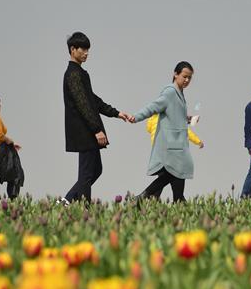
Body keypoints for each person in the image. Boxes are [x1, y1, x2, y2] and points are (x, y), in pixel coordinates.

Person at [61, 32, 133, 204]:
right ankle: (84, 210)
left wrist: (116, 113)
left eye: (88, 50)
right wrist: (97, 130)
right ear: (73, 49)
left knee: (96, 170)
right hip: (83, 131)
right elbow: (83, 104)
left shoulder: (80, 73)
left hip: (87, 130)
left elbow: (92, 100)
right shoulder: (73, 74)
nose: (86, 53)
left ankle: (66, 201)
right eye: (83, 49)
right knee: (86, 174)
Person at [130, 62, 196, 202]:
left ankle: (146, 198)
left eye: (189, 78)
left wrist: (185, 118)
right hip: (171, 144)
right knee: (174, 173)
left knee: (177, 175)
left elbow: (172, 113)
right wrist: (136, 117)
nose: (187, 80)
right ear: (175, 74)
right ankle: (142, 197)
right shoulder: (170, 92)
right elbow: (154, 107)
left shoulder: (179, 93)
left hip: (177, 144)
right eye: (184, 76)